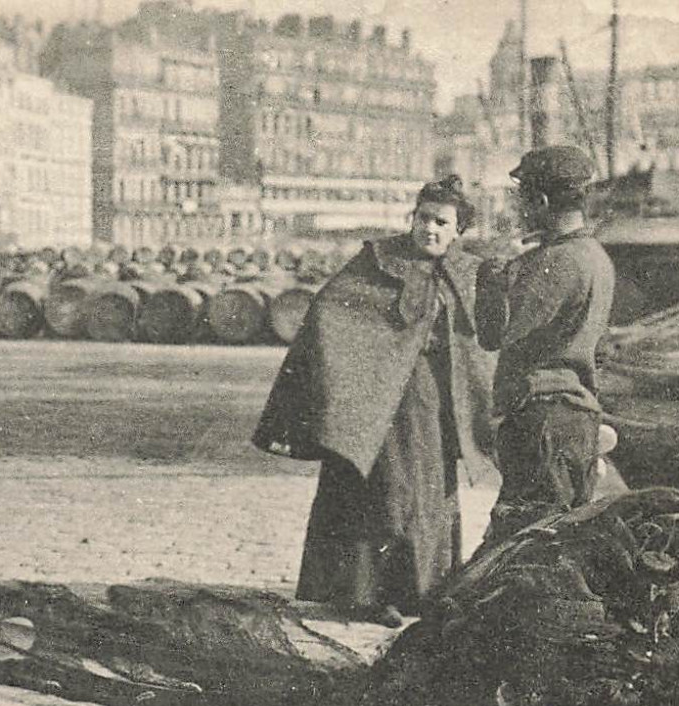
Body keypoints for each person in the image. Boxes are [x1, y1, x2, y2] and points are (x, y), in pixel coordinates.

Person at [254, 175, 497, 627]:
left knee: (431, 495)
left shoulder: (469, 273)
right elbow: (329, 313)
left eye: (441, 222)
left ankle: (424, 590)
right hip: (379, 406)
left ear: (458, 229)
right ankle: (368, 594)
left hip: (434, 402)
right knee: (383, 490)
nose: (429, 229)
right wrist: (347, 381)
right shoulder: (377, 261)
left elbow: (482, 338)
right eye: (423, 218)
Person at [476, 145, 617, 541]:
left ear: (539, 201)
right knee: (561, 539)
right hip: (578, 417)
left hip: (542, 419)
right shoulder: (596, 256)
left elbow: (494, 335)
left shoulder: (555, 262)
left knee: (523, 544)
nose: (518, 208)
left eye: (522, 198)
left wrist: (492, 274)